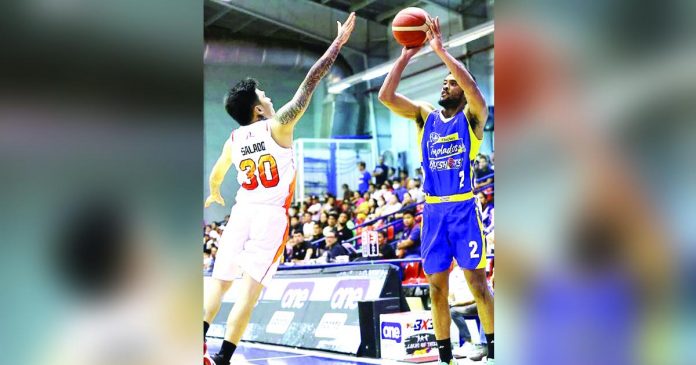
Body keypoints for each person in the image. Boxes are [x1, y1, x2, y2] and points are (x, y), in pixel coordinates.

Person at [201, 13, 356, 365]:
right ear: (258, 109)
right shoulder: (279, 125)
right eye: (265, 95)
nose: (270, 98)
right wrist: (338, 44)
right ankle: (223, 359)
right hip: (270, 218)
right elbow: (312, 80)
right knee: (249, 294)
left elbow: (215, 175)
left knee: (220, 283)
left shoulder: (233, 139)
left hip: (240, 212)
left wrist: (214, 193)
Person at [378, 16, 494, 364]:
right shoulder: (425, 117)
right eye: (443, 83)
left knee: (477, 283)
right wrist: (405, 56)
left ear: (462, 88)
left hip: (462, 209)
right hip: (433, 211)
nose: (445, 87)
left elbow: (473, 90)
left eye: (451, 83)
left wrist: (441, 51)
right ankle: (445, 358)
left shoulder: (473, 118)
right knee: (436, 288)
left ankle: (494, 352)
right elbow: (385, 96)